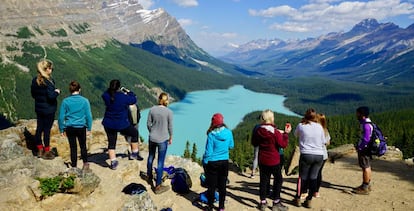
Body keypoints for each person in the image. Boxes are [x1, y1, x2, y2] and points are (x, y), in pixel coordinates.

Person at [252, 109, 291, 211]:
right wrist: (286, 134)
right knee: (278, 180)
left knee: (263, 180)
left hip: (262, 160)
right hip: (274, 160)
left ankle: (263, 202)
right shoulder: (275, 132)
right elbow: (283, 144)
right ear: (271, 118)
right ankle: (276, 202)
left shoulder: (258, 130)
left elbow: (254, 143)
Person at [102, 80, 143, 170]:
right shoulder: (123, 97)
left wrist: (110, 90)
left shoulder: (106, 95)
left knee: (111, 142)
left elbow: (104, 94)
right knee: (134, 133)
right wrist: (129, 92)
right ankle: (134, 154)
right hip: (121, 124)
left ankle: (113, 162)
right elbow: (134, 99)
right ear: (118, 87)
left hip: (108, 123)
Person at [293, 108, 326, 208]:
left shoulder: (301, 125)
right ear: (315, 117)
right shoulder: (319, 127)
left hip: (306, 154)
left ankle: (298, 198)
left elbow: (295, 135)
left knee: (302, 177)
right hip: (319, 155)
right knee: (313, 178)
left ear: (305, 116)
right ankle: (309, 200)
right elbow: (323, 141)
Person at [202, 113, 234, 211]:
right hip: (224, 162)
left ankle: (210, 206)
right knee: (222, 185)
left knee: (211, 186)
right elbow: (231, 146)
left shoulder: (211, 135)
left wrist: (204, 161)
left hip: (213, 163)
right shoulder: (228, 132)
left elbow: (208, 152)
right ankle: (221, 207)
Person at [58, 81, 93, 171]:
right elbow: (88, 115)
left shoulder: (65, 101)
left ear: (70, 90)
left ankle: (74, 166)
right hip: (81, 127)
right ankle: (85, 164)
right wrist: (89, 128)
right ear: (79, 89)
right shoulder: (85, 101)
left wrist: (61, 129)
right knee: (83, 146)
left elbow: (61, 117)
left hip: (70, 127)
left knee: (73, 147)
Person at [31, 58, 60, 160]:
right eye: (51, 68)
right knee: (47, 130)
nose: (51, 70)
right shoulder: (48, 81)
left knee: (39, 128)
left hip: (39, 108)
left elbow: (33, 94)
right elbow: (51, 96)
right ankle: (47, 151)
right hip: (49, 109)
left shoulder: (35, 80)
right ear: (46, 69)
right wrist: (57, 92)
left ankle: (39, 148)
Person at [146, 92, 173, 194]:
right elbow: (170, 126)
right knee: (160, 162)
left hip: (152, 138)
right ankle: (157, 186)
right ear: (166, 101)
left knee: (151, 157)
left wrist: (152, 132)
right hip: (163, 139)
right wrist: (171, 137)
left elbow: (148, 124)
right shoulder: (169, 112)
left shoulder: (152, 109)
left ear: (159, 99)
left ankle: (149, 176)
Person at [353, 106, 373, 195]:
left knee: (365, 167)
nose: (356, 115)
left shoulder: (366, 125)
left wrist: (360, 147)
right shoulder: (367, 123)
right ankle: (367, 184)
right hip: (366, 148)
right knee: (367, 166)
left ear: (362, 115)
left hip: (364, 149)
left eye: (358, 113)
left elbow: (366, 139)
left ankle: (365, 187)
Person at [314, 113, 331, 197]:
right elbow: (328, 143)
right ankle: (316, 191)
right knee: (319, 172)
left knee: (313, 173)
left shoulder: (315, 130)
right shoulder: (325, 130)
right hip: (323, 155)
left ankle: (310, 190)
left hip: (316, 154)